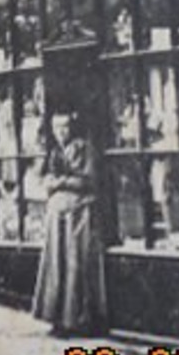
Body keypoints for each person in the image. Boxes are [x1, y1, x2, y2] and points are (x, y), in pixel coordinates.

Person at [31, 111, 107, 337]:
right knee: (57, 264)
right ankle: (56, 318)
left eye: (65, 127)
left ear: (72, 127)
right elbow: (42, 177)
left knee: (75, 264)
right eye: (57, 128)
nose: (61, 132)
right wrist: (51, 183)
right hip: (58, 215)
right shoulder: (55, 152)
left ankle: (76, 319)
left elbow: (88, 179)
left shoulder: (84, 148)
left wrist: (58, 182)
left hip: (79, 214)